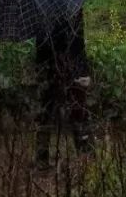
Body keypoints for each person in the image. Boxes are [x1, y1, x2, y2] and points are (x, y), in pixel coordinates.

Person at [34, 9, 93, 167]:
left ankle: (43, 156)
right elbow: (76, 38)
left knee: (50, 108)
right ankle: (84, 153)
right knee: (75, 108)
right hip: (67, 62)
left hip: (55, 62)